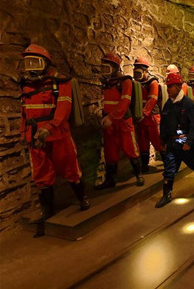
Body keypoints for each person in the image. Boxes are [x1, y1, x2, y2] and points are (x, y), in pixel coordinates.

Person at [19, 44, 89, 234]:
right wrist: (24, 131)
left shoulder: (60, 82)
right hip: (35, 135)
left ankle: (82, 198)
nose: (32, 67)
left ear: (46, 63)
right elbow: (25, 110)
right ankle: (47, 210)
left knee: (70, 166)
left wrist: (49, 128)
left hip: (58, 134)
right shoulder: (26, 84)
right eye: (28, 62)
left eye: (36, 62)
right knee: (42, 173)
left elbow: (63, 109)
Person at [156, 72, 194, 208]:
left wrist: (189, 142)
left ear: (178, 87)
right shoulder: (168, 105)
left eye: (170, 87)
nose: (168, 89)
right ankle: (166, 194)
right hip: (173, 143)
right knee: (169, 169)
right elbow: (164, 124)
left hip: (185, 143)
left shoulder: (188, 104)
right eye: (167, 87)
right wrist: (163, 141)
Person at [95, 53, 144, 189]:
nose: (105, 72)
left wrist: (111, 117)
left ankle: (138, 174)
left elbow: (124, 102)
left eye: (107, 68)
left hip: (123, 121)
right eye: (103, 68)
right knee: (110, 152)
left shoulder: (125, 82)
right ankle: (110, 180)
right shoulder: (107, 83)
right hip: (109, 122)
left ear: (115, 67)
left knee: (131, 149)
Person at [133, 57, 167, 173]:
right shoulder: (136, 84)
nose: (137, 74)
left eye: (139, 70)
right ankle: (144, 165)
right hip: (141, 118)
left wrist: (144, 113)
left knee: (157, 140)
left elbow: (153, 98)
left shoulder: (152, 82)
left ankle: (167, 164)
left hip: (152, 117)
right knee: (143, 142)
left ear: (145, 71)